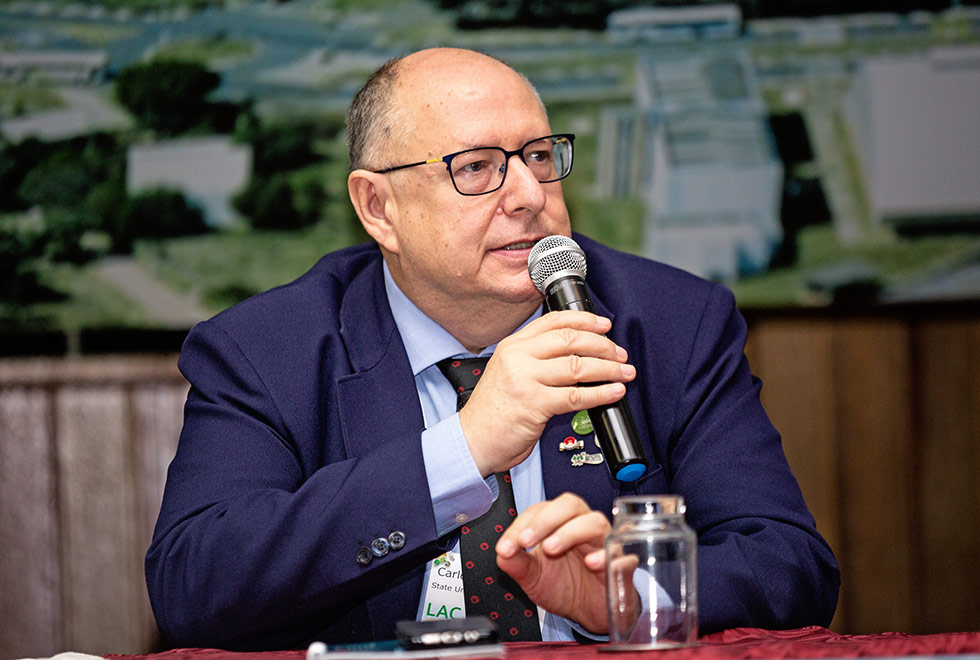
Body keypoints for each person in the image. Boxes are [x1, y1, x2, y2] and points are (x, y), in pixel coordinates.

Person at [145, 48, 839, 650]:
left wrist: (623, 598)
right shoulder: (267, 351)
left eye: (539, 157)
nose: (529, 194)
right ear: (377, 207)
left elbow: (790, 566)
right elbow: (194, 587)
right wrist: (462, 449)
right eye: (476, 167)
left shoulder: (671, 324)